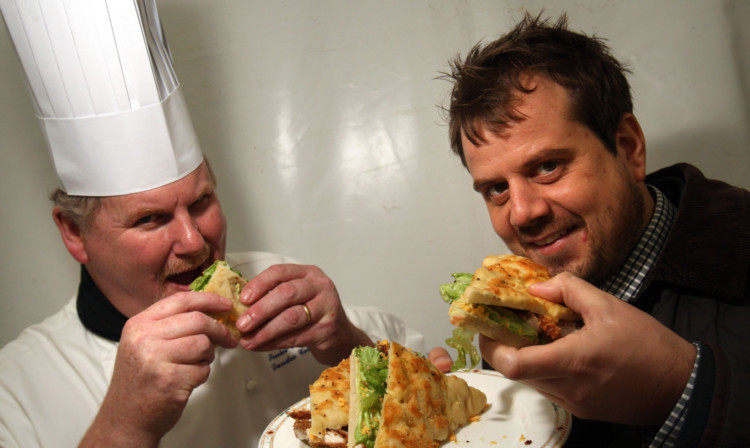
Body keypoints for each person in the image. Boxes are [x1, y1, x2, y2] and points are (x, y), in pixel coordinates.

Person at [0, 1, 423, 446]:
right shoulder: (17, 390)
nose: (194, 238)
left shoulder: (275, 284)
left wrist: (344, 342)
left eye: (201, 200)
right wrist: (127, 422)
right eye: (150, 219)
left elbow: (423, 381)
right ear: (73, 232)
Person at [428, 12, 750, 447]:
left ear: (628, 148)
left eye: (547, 166)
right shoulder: (519, 309)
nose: (522, 214)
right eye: (497, 189)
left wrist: (682, 390)